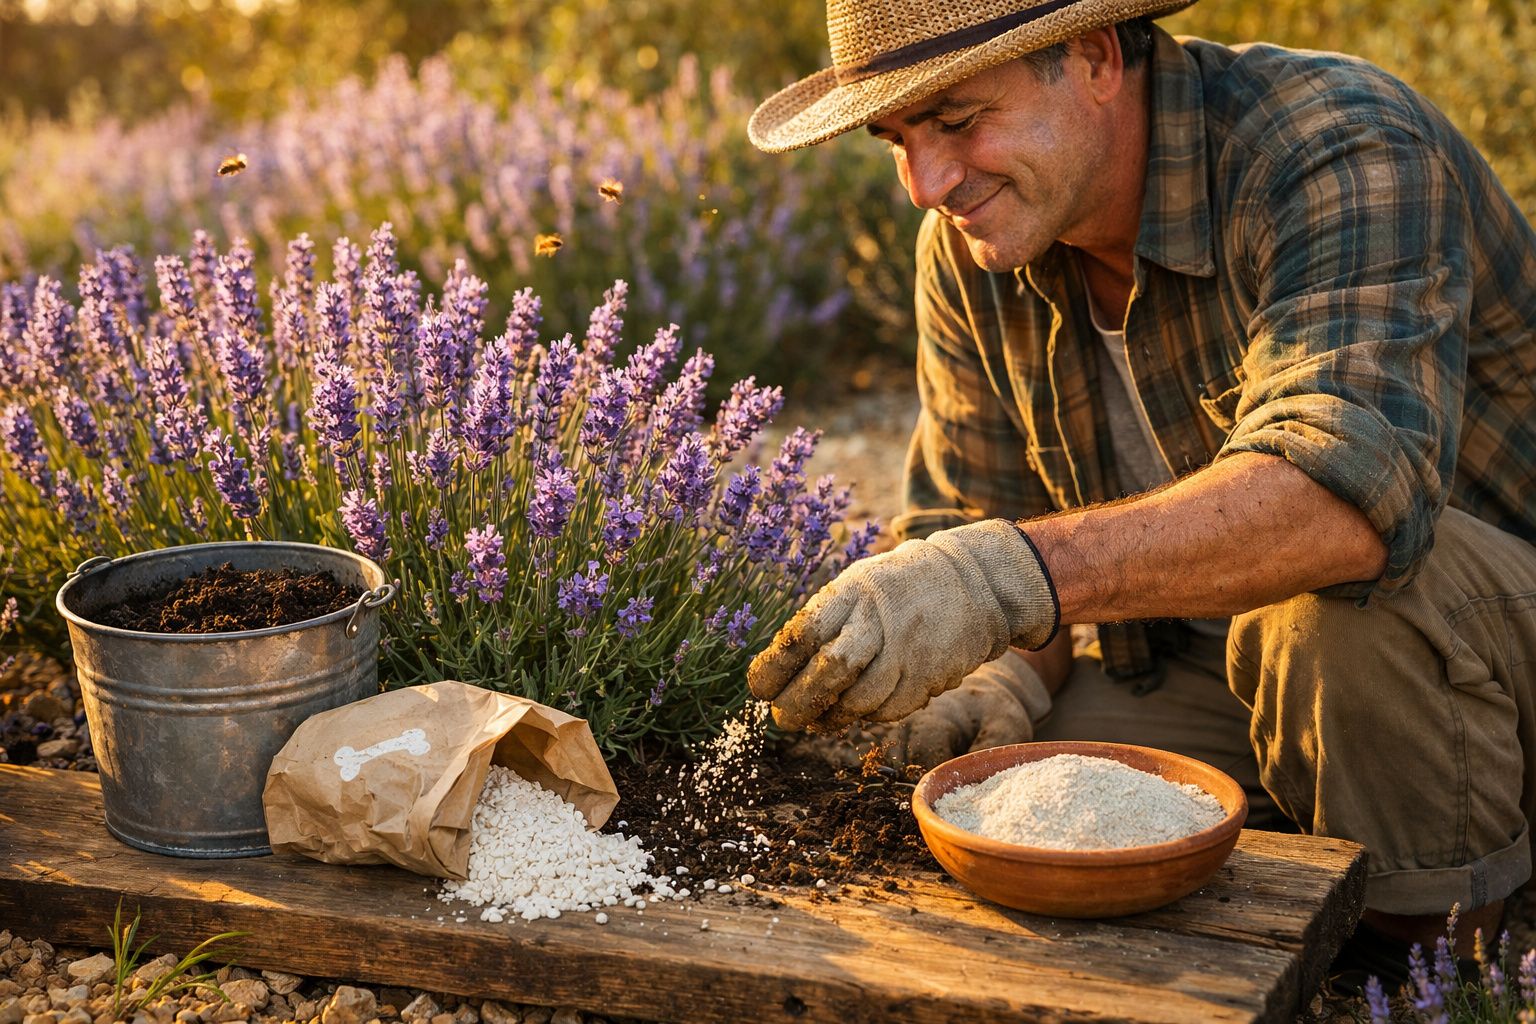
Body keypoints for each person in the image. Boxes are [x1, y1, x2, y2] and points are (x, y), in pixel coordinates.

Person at [745, 0, 1536, 973]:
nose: (927, 183)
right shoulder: (977, 237)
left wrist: (1002, 579)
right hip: (1218, 664)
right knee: (985, 780)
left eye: (955, 120)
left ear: (1093, 57)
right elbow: (975, 531)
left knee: (1334, 621)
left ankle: (1419, 957)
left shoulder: (1337, 146)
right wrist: (991, 674)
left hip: (1473, 638)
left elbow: (1341, 501)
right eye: (897, 138)